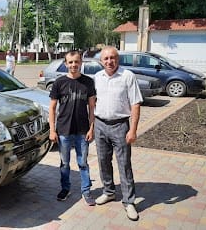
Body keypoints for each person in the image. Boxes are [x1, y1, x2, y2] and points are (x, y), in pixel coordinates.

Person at [93, 46, 143, 221]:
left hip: (120, 126)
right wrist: (92, 126)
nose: (109, 61)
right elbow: (93, 103)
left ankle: (129, 201)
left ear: (118, 59)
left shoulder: (127, 76)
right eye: (105, 59)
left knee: (124, 164)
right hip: (100, 125)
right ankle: (109, 191)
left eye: (112, 58)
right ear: (101, 61)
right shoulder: (97, 77)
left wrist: (133, 130)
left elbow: (136, 104)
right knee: (103, 161)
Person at [48, 50, 97, 206]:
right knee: (64, 163)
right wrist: (52, 130)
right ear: (65, 64)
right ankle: (65, 189)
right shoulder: (59, 82)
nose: (73, 65)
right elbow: (52, 108)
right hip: (63, 130)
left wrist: (91, 128)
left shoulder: (88, 82)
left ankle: (86, 191)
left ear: (81, 63)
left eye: (76, 62)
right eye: (70, 62)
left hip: (82, 131)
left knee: (83, 163)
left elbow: (92, 107)